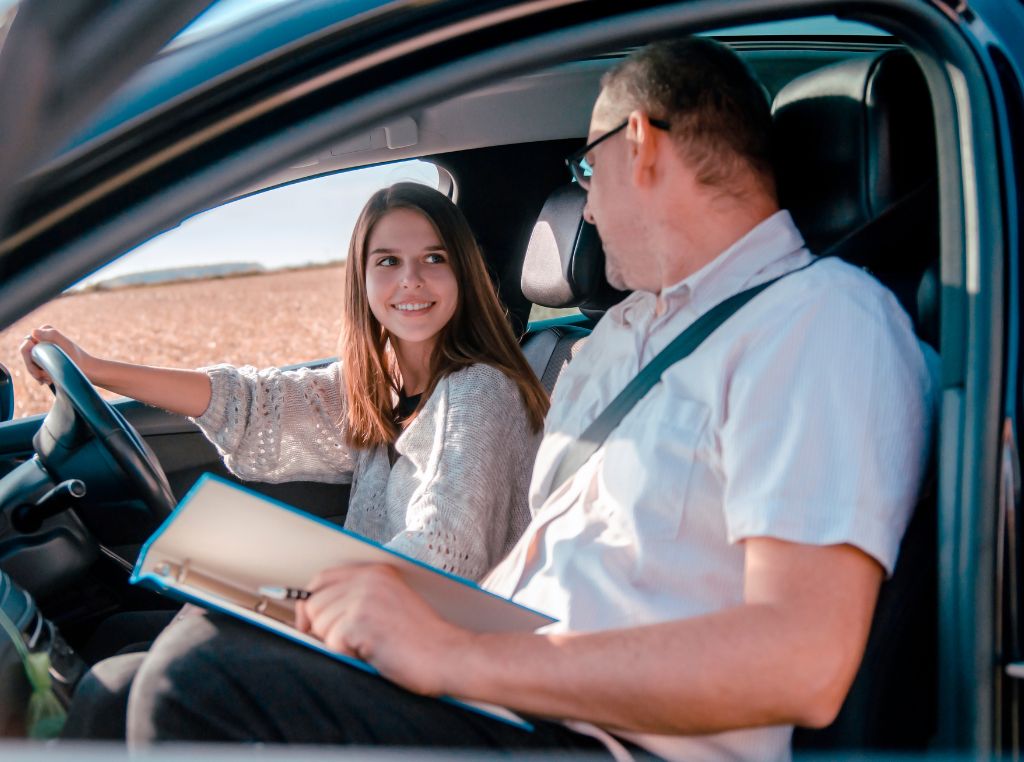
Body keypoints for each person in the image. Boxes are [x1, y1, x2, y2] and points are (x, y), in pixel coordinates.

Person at [121, 38, 937, 760]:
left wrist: (450, 654)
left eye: (586, 170)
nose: (586, 202)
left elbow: (800, 662)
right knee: (146, 668)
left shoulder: (823, 321)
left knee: (196, 681)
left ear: (641, 146)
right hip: (512, 692)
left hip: (600, 735)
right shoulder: (617, 340)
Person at [20, 183, 549, 736]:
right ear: (362, 280)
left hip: (439, 661)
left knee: (127, 685)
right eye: (388, 260)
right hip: (378, 627)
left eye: (433, 259)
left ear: (462, 272)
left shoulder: (481, 391)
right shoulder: (379, 386)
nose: (410, 280)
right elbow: (254, 404)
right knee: (115, 648)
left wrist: (287, 588)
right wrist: (95, 368)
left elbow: (444, 554)